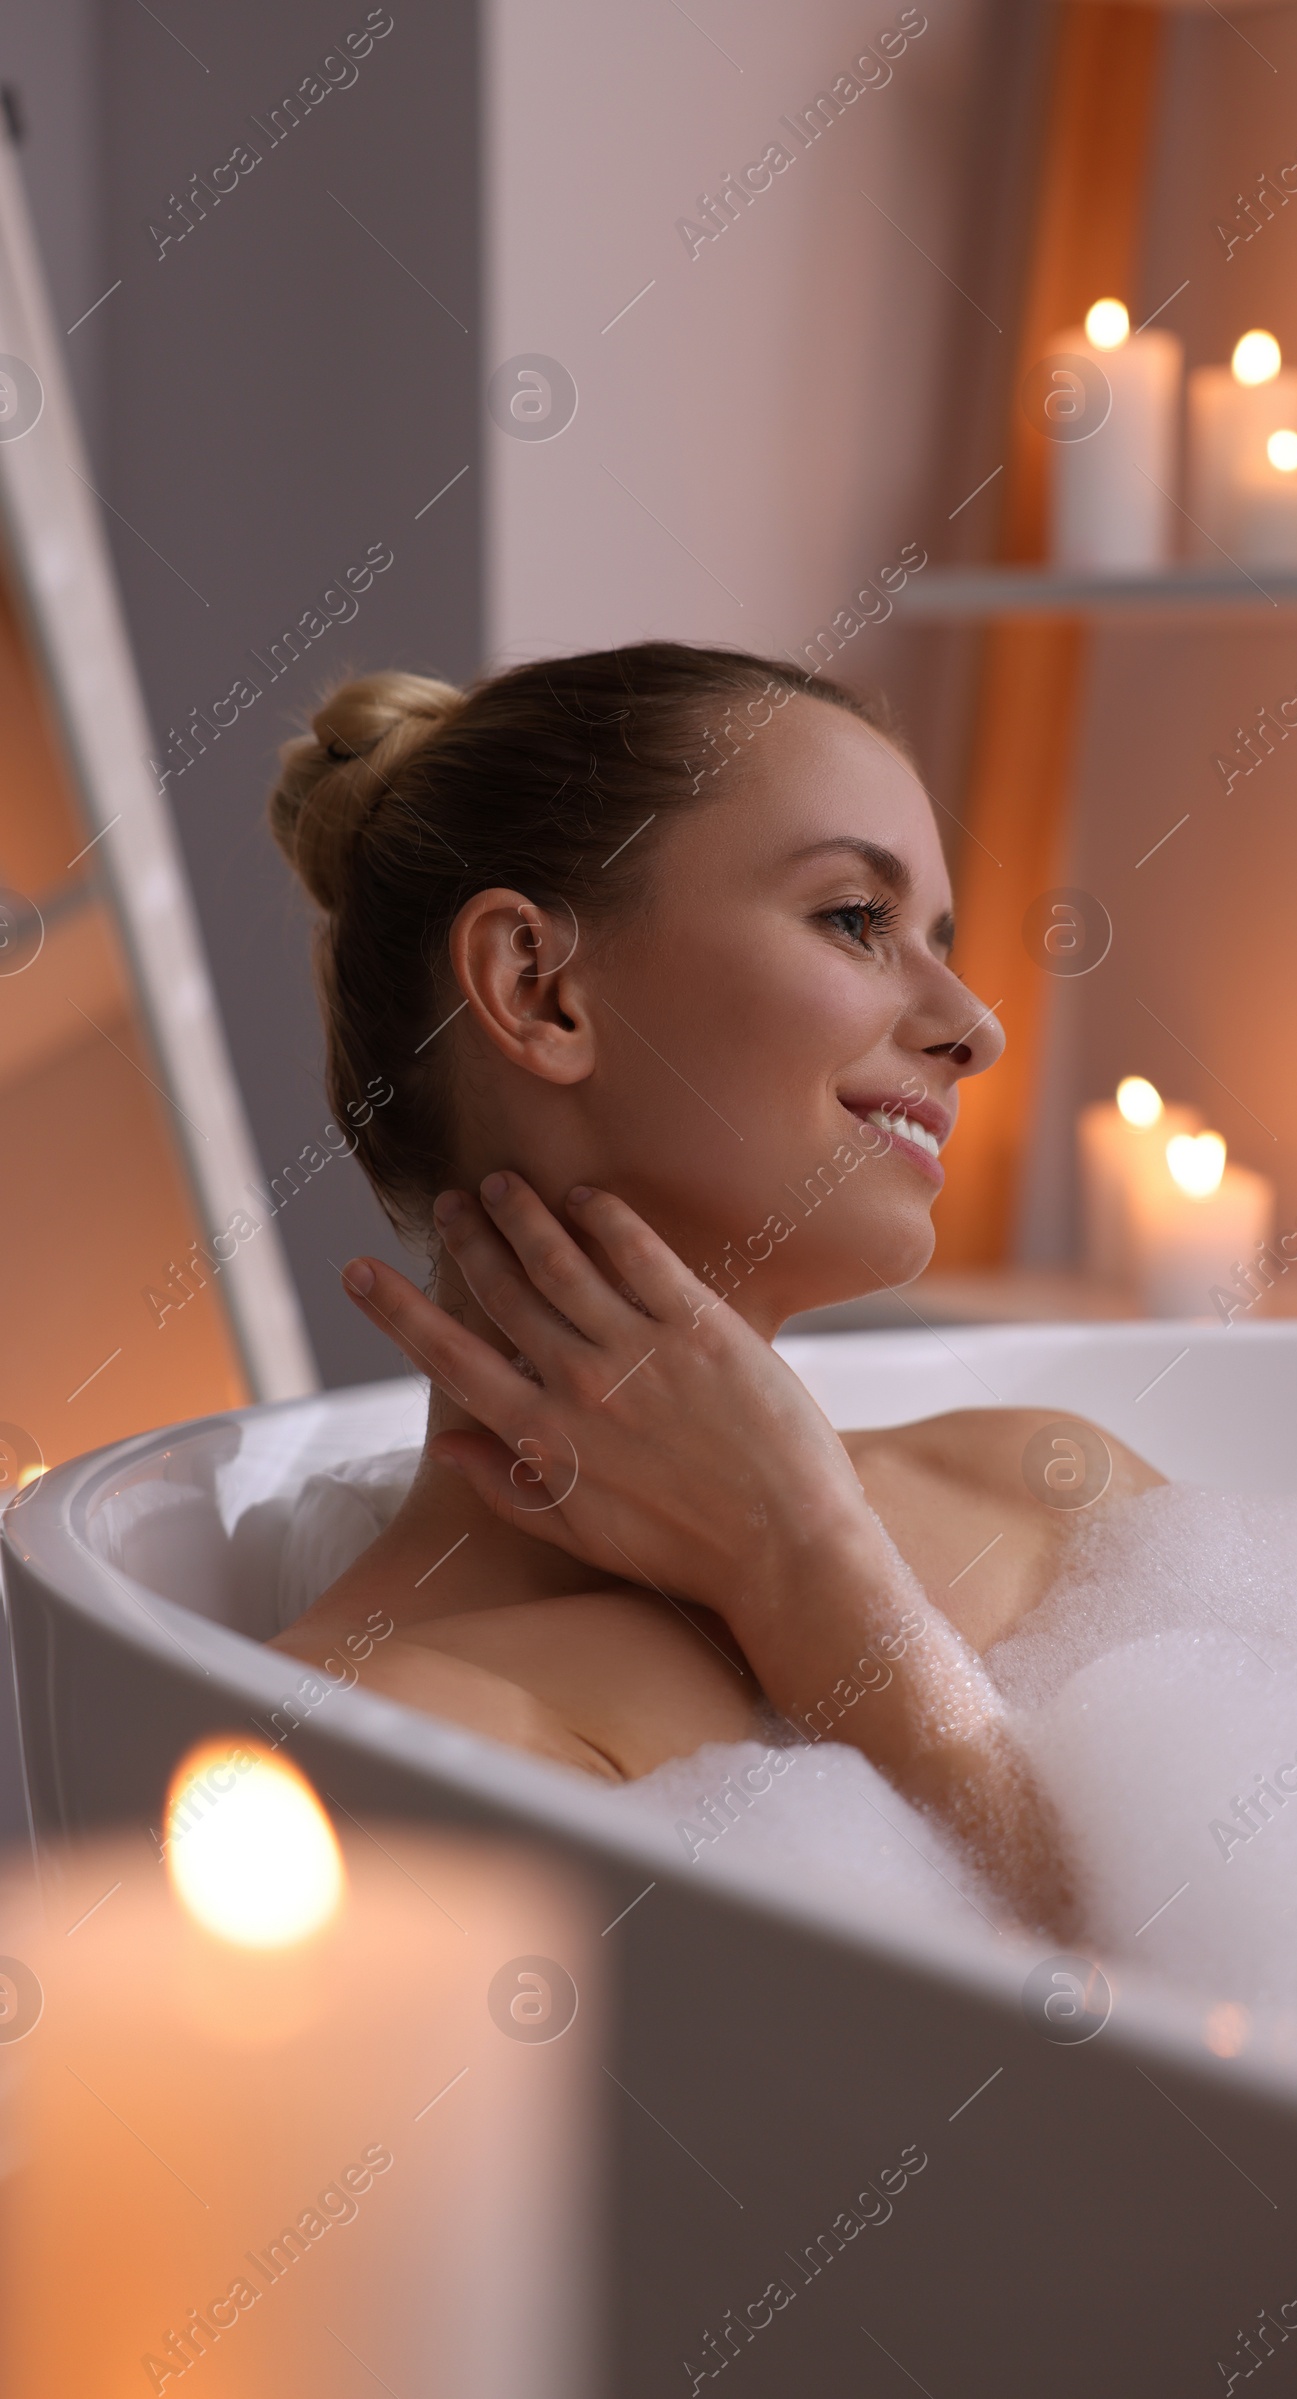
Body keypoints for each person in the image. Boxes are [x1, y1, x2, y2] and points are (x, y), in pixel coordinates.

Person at [266, 644, 1167, 1937]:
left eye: (941, 942)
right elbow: (1152, 2096)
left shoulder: (1042, 1481)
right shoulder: (391, 1734)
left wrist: (821, 1568)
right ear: (541, 988)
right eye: (858, 918)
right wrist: (814, 1580)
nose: (977, 1025)